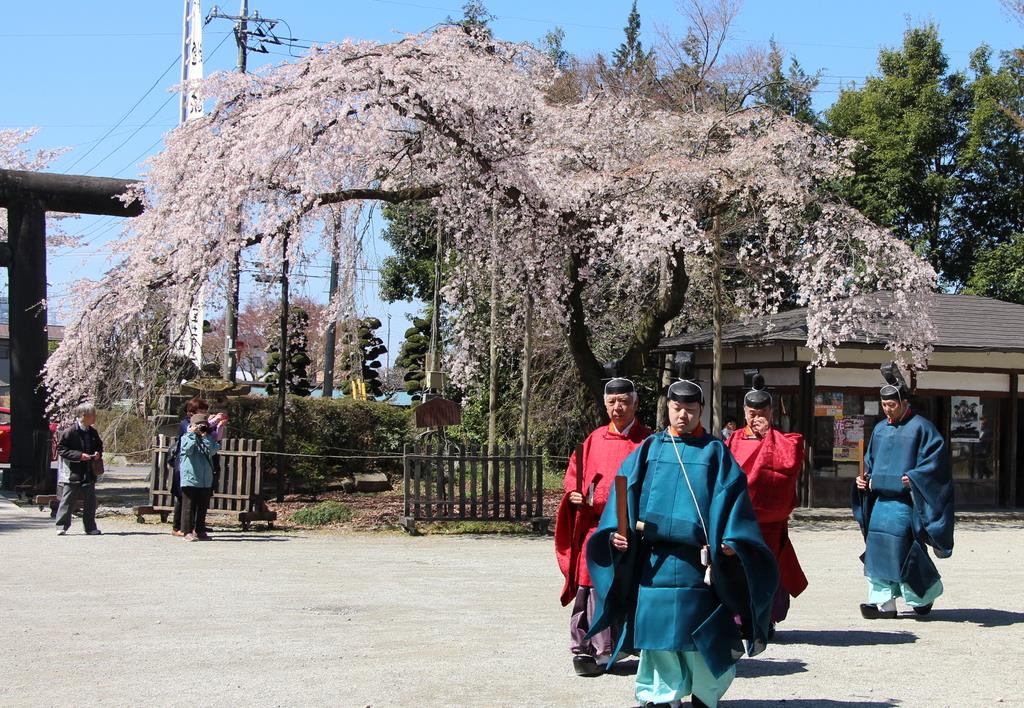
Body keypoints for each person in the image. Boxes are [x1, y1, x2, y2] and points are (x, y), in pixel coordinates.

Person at [587, 379, 778, 708]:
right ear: (668, 409)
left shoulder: (716, 452)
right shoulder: (649, 449)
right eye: (677, 409)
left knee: (700, 634)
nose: (683, 416)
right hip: (654, 560)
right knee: (659, 640)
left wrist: (732, 539)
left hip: (698, 563)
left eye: (690, 410)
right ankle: (663, 696)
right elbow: (624, 492)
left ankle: (706, 694)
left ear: (701, 410)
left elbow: (734, 501)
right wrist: (618, 533)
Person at [554, 377, 652, 676]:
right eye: (612, 402)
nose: (617, 408)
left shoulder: (649, 441)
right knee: (590, 585)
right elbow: (574, 475)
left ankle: (621, 645)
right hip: (595, 528)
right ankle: (585, 649)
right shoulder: (594, 439)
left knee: (628, 585)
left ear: (635, 403)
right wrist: (573, 493)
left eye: (623, 401)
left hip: (631, 529)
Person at [853, 363, 954, 619]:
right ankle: (884, 604)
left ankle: (922, 597)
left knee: (903, 549)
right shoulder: (879, 429)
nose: (888, 409)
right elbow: (870, 462)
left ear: (905, 402)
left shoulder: (922, 428)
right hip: (881, 501)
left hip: (905, 503)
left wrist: (915, 478)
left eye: (892, 405)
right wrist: (863, 480)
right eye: (884, 405)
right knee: (876, 548)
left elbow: (935, 465)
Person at [725, 374, 807, 636]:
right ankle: (739, 619)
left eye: (761, 411)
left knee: (768, 571)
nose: (755, 417)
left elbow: (791, 465)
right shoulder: (733, 440)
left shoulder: (784, 441)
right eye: (751, 412)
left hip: (770, 524)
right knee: (739, 570)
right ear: (744, 411)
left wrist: (768, 436)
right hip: (739, 520)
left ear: (771, 411)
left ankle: (766, 620)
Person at [171, 396, 227, 537]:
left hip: (204, 475)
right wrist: (194, 432)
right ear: (192, 411)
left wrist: (216, 428)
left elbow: (214, 446)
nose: (204, 414)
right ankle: (182, 528)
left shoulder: (206, 433)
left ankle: (199, 528)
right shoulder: (185, 425)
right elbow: (187, 448)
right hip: (188, 471)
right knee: (185, 501)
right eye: (201, 411)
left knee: (202, 504)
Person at [55, 403, 104, 536]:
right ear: (84, 415)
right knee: (68, 499)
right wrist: (79, 456)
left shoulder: (92, 432)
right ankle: (61, 526)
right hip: (73, 472)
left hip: (89, 471)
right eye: (92, 415)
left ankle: (89, 527)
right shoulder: (70, 432)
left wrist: (98, 453)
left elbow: (99, 445)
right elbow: (61, 449)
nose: (94, 418)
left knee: (90, 501)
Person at [178, 413, 220, 541]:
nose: (202, 427)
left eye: (205, 425)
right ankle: (187, 531)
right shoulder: (186, 438)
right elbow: (188, 450)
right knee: (188, 507)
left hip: (205, 479)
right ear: (192, 425)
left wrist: (205, 436)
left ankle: (200, 530)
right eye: (199, 425)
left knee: (202, 507)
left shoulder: (208, 438)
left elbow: (212, 451)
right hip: (190, 478)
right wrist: (192, 434)